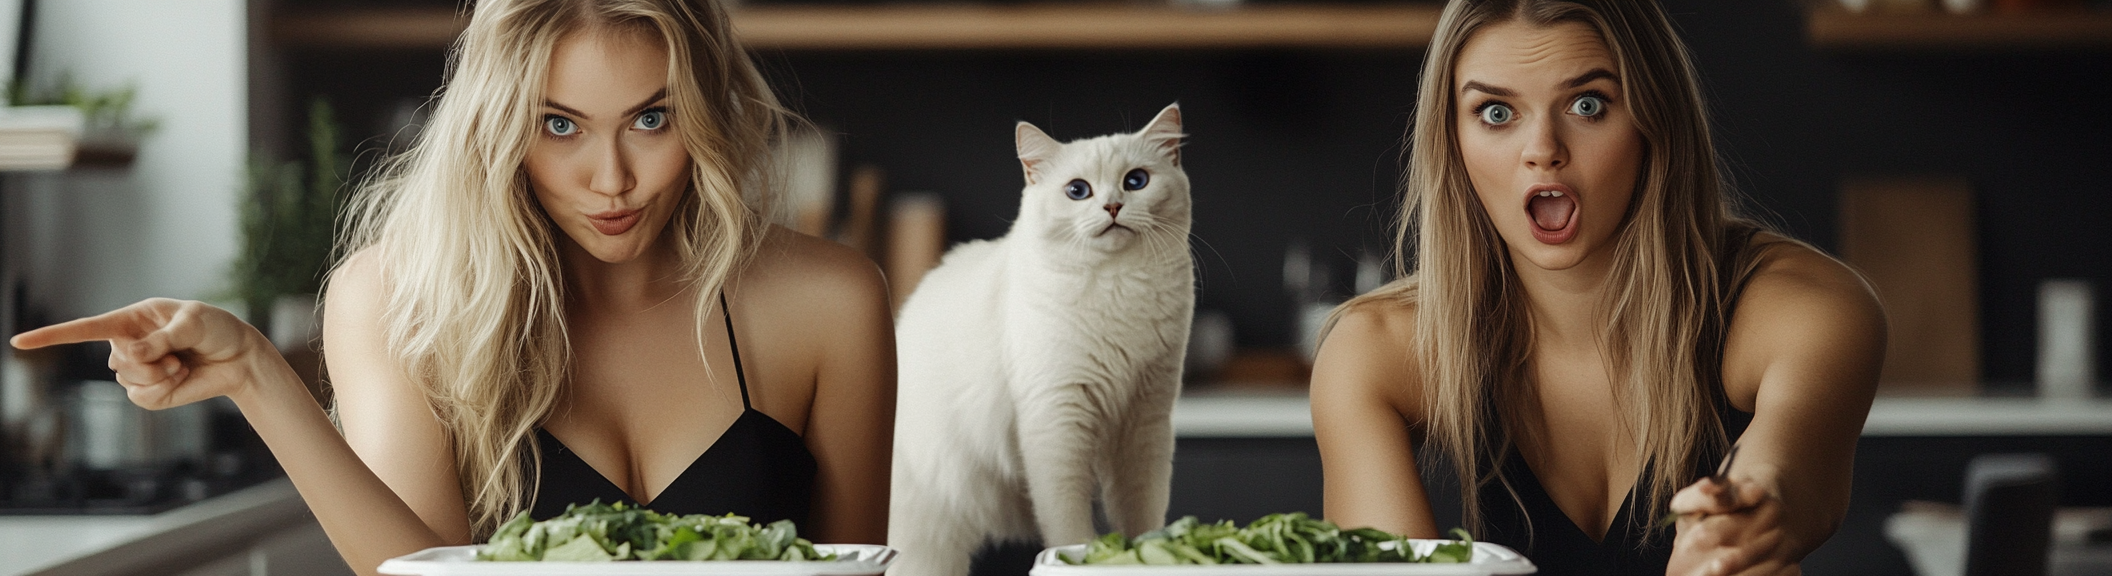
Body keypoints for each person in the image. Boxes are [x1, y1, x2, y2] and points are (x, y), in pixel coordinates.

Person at [10, 1, 896, 573]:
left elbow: (859, 568)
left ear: (703, 111)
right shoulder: (402, 300)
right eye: (560, 126)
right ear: (499, 127)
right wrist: (252, 374)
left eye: (650, 119)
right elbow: (421, 574)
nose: (612, 178)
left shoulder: (829, 303)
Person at [1310, 1, 1884, 574]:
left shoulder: (1803, 308)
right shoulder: (1374, 352)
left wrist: (1748, 513)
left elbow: (1794, 474)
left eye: (1589, 105)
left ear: (1654, 119)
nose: (1543, 149)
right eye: (1495, 112)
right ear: (1451, 141)